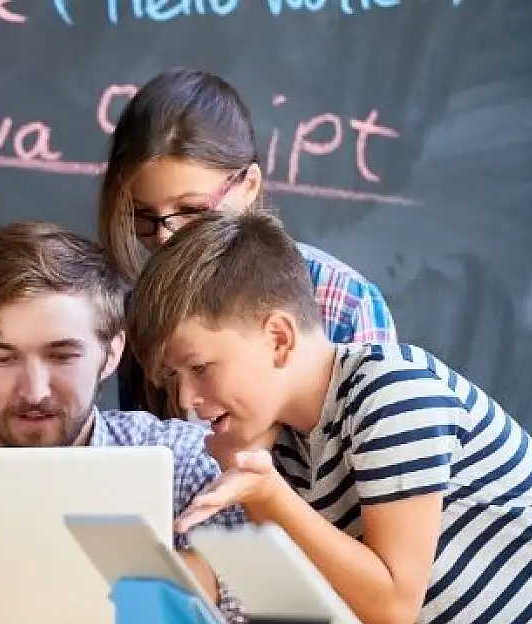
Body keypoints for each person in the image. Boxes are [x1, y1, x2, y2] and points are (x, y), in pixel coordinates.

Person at [125, 208, 532, 624]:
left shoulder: (389, 391)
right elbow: (335, 601)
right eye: (173, 378)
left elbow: (392, 606)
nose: (186, 399)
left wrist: (267, 496)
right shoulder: (282, 445)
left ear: (279, 338)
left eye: (200, 367)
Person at [0, 222, 247, 624]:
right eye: (3, 358)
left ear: (112, 353)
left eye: (62, 356)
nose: (34, 391)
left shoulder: (185, 465)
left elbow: (257, 612)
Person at [98, 68, 398, 418]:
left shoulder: (340, 301)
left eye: (193, 209)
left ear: (249, 186)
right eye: (143, 215)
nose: (167, 235)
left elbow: (376, 432)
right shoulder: (140, 313)